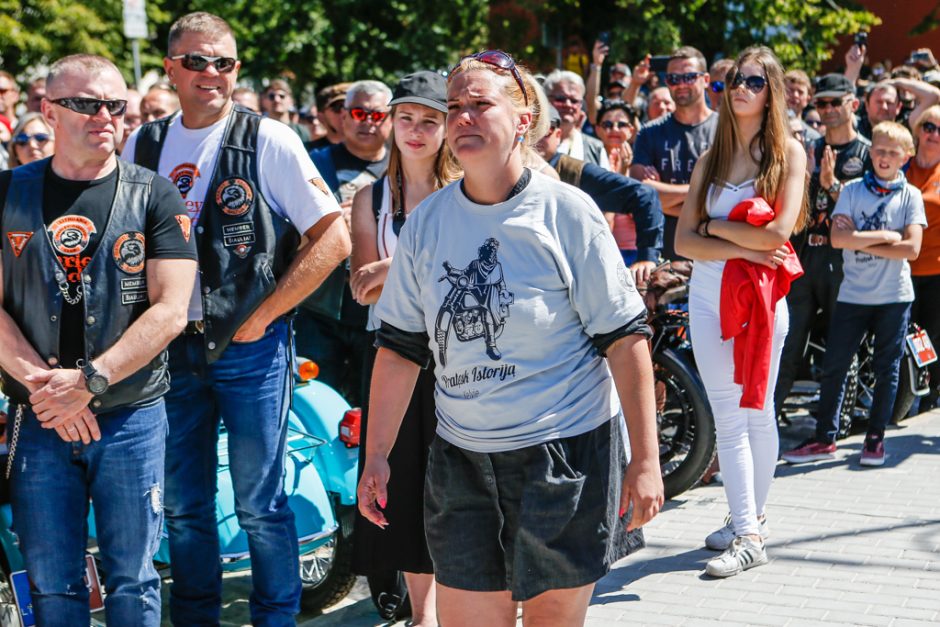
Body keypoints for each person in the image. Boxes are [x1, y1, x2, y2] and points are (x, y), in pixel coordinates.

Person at [358, 50, 663, 626]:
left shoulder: (567, 213)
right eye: (454, 108)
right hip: (461, 461)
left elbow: (626, 340)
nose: (463, 118)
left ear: (523, 119)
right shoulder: (426, 223)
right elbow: (400, 347)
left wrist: (645, 459)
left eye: (480, 105)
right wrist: (376, 455)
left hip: (564, 454)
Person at [121, 12, 350, 624]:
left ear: (236, 68)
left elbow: (333, 237)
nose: (212, 73)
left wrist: (265, 315)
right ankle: (197, 617)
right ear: (170, 67)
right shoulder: (141, 144)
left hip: (251, 348)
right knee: (185, 506)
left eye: (224, 61)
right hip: (167, 349)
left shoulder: (268, 138)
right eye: (196, 61)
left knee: (259, 502)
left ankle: (274, 617)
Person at [0, 53, 198, 625]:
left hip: (130, 415)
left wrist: (87, 382)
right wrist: (52, 392)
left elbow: (171, 309)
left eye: (114, 105)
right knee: (52, 583)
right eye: (84, 104)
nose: (103, 116)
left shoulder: (154, 195)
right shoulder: (8, 192)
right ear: (48, 111)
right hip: (38, 416)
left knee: (133, 580)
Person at [675, 46, 807, 577]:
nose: (741, 88)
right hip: (707, 294)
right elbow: (685, 241)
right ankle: (746, 524)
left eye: (753, 81)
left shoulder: (789, 154)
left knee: (756, 411)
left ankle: (749, 527)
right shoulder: (710, 159)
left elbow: (779, 234)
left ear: (771, 90)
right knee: (729, 414)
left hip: (761, 297)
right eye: (733, 80)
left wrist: (718, 229)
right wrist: (741, 242)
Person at [349, 70, 459, 627]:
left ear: (446, 127)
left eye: (429, 121)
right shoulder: (371, 195)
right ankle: (424, 614)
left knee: (459, 481)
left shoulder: (464, 190)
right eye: (406, 118)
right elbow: (361, 285)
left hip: (458, 355)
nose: (415, 131)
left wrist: (397, 267)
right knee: (406, 481)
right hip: (393, 352)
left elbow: (392, 273)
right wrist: (420, 267)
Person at [782, 122, 925, 466]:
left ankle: (875, 438)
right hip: (853, 295)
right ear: (870, 151)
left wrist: (865, 236)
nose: (884, 157)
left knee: (886, 367)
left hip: (893, 296)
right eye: (879, 150)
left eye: (893, 152)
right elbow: (838, 240)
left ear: (906, 157)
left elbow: (912, 248)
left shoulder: (910, 196)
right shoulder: (851, 190)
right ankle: (824, 437)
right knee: (834, 365)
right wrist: (888, 237)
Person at [773, 74, 871, 417]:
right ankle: (767, 424)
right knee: (786, 344)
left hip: (844, 262)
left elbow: (869, 213)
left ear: (853, 105)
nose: (826, 110)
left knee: (841, 346)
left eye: (834, 102)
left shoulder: (868, 153)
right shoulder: (806, 150)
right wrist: (806, 181)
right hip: (804, 257)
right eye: (821, 103)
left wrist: (831, 186)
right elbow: (790, 211)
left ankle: (835, 424)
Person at [296, 80, 392, 408]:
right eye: (358, 112)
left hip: (380, 310)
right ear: (343, 118)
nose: (368, 121)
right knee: (316, 403)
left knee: (376, 406)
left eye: (378, 114)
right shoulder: (311, 162)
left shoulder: (408, 166)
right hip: (322, 308)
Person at [538, 102, 662, 283]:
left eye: (545, 129)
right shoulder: (496, 166)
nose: (536, 136)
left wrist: (646, 258)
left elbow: (644, 195)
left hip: (570, 275)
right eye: (530, 128)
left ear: (558, 135)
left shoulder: (571, 170)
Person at [631, 46, 718, 260]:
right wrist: (704, 193)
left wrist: (663, 198)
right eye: (673, 78)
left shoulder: (726, 130)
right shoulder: (649, 132)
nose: (680, 84)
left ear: (705, 79)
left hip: (715, 257)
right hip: (664, 259)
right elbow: (640, 196)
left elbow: (728, 199)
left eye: (688, 77)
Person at [908, 105, 940, 410]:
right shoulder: (902, 165)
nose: (934, 135)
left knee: (930, 335)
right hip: (899, 268)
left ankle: (929, 393)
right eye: (929, 127)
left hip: (935, 272)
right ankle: (907, 391)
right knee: (907, 333)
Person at [544, 69, 610, 168]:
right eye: (560, 99)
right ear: (545, 99)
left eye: (574, 101)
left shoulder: (595, 148)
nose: (568, 104)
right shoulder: (532, 143)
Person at [594, 99, 640, 176]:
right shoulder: (589, 155)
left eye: (621, 125)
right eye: (607, 124)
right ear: (597, 129)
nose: (615, 129)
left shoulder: (640, 159)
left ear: (631, 131)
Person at [312, 82, 351, 149]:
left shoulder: (370, 152)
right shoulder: (307, 153)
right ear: (321, 117)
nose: (344, 113)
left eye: (350, 108)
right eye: (338, 108)